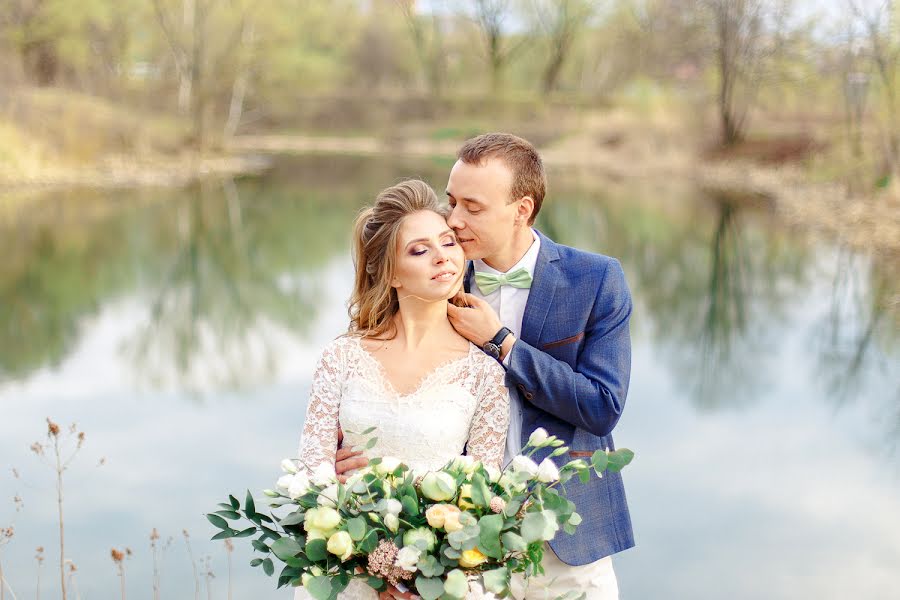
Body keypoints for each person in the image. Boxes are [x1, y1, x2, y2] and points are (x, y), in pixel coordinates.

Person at [294, 179, 510, 600]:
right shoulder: (340, 357)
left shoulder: (484, 372)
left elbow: (486, 498)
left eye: (447, 243)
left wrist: (417, 580)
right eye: (419, 250)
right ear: (391, 273)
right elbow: (311, 472)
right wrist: (372, 570)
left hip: (440, 582)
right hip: (348, 573)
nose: (442, 258)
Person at [443, 133, 634, 600]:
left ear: (521, 210)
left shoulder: (596, 279)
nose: (453, 220)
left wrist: (503, 343)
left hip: (570, 541)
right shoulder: (434, 278)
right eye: (451, 202)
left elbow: (601, 406)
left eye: (473, 206)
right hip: (463, 542)